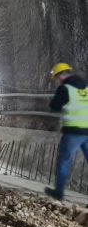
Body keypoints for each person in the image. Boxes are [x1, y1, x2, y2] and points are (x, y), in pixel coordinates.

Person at [44, 63, 88, 201]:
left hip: (73, 132)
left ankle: (59, 192)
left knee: (63, 162)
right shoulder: (86, 86)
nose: (57, 80)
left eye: (56, 78)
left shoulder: (65, 89)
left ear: (60, 75)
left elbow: (55, 107)